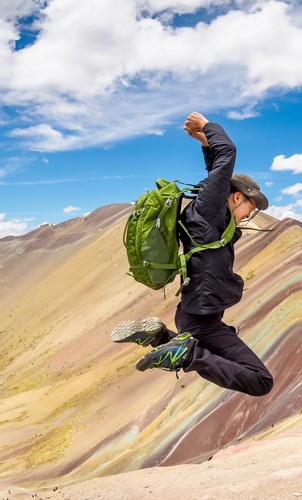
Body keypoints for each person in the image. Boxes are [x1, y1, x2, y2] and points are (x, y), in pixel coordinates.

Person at [110, 111, 274, 397]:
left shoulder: (208, 214)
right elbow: (227, 156)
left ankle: (159, 337)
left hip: (194, 313)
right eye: (251, 206)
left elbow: (216, 172)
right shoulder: (208, 210)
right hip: (202, 317)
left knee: (207, 348)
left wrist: (204, 144)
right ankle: (183, 354)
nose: (250, 214)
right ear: (237, 197)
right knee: (261, 381)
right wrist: (208, 127)